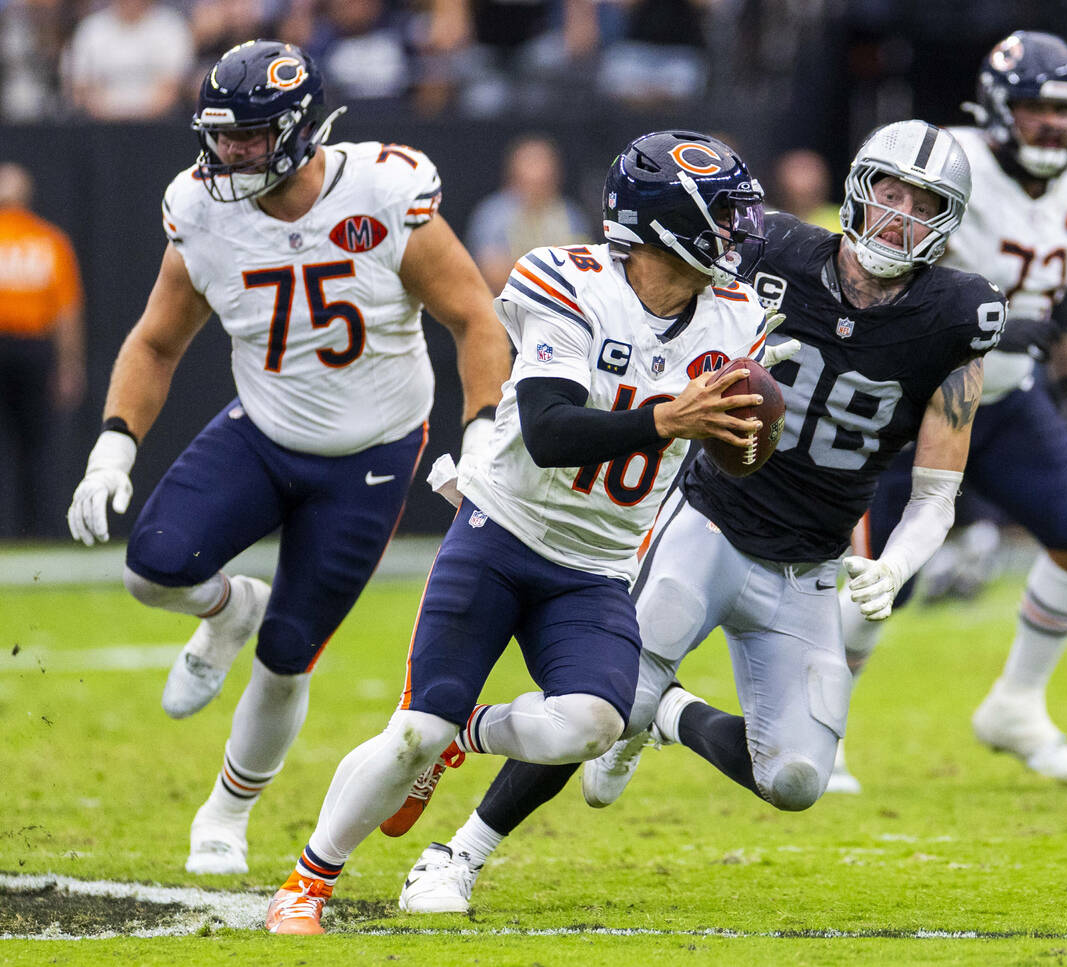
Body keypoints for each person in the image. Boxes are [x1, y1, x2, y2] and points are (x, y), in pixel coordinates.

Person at [395, 120, 1007, 915]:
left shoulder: (959, 314)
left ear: (949, 221)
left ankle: (670, 713)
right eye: (891, 194)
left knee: (796, 779)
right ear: (859, 190)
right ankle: (457, 854)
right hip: (710, 518)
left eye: (924, 205)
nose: (900, 218)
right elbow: (646, 297)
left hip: (810, 561)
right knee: (613, 702)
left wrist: (896, 564)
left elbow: (935, 492)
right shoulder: (772, 250)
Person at [264, 130, 776, 935]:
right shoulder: (568, 281)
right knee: (413, 731)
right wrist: (666, 418)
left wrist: (742, 440)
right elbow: (547, 430)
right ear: (666, 223)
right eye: (722, 216)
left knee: (595, 722)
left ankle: (465, 734)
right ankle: (306, 883)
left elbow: (735, 448)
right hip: (502, 532)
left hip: (598, 564)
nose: (738, 233)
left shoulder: (737, 316)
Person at [65, 39, 512, 876]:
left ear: (302, 129)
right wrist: (113, 446)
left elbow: (475, 318)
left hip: (370, 453)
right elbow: (156, 341)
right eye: (222, 135)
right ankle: (228, 608)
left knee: (287, 654)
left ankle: (225, 813)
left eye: (251, 135)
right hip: (265, 431)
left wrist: (482, 428)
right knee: (151, 568)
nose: (231, 152)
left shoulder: (382, 191)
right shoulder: (200, 209)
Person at [835, 31, 1067, 791]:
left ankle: (1016, 705)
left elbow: (1062, 276)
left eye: (1064, 110)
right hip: (919, 398)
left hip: (1010, 395)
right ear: (995, 107)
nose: (1051, 124)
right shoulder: (948, 165)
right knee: (881, 579)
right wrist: (981, 321)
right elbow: (881, 267)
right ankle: (818, 726)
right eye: (1034, 107)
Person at [0, 162, 85, 536]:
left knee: (34, 443)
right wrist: (70, 364)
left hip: (25, 348)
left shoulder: (50, 240)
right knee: (35, 445)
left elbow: (66, 311)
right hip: (32, 349)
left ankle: (31, 529)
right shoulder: (49, 240)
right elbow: (67, 313)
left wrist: (68, 365)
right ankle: (36, 530)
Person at [464, 135, 589, 294]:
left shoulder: (571, 215)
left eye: (543, 183)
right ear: (512, 176)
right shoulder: (493, 215)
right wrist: (553, 274)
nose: (537, 180)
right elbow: (492, 273)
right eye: (530, 181)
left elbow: (584, 272)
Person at [60, 0, 194, 120]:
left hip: (159, 127)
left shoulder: (171, 27)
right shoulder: (90, 30)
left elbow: (171, 91)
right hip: (98, 128)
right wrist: (116, 117)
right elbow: (80, 90)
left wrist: (129, 117)